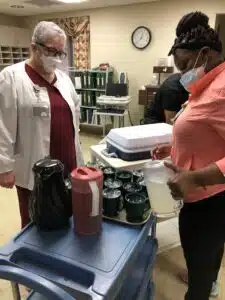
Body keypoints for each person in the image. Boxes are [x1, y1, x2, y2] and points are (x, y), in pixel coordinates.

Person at [154, 11, 225, 300]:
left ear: (204, 54)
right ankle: (205, 279)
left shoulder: (221, 90)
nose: (182, 73)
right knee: (204, 262)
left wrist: (194, 177)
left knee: (198, 282)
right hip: (202, 199)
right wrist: (173, 148)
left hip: (210, 202)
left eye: (184, 65)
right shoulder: (204, 87)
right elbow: (204, 133)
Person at [0, 21, 84, 228]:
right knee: (36, 220)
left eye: (60, 53)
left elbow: (75, 112)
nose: (56, 57)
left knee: (65, 212)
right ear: (34, 47)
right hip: (34, 164)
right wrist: (4, 166)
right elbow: (2, 125)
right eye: (51, 51)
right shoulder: (11, 78)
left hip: (68, 161)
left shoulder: (63, 79)